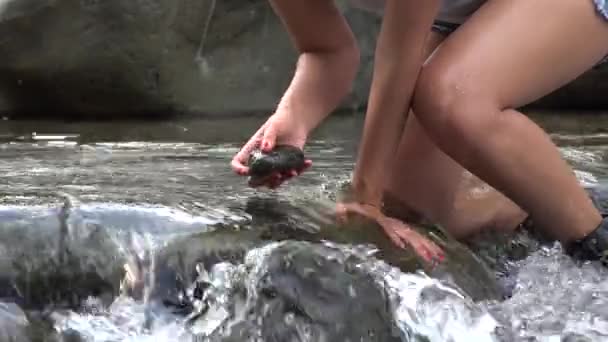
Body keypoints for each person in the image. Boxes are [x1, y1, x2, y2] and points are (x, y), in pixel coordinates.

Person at [231, 0, 608, 266]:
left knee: (453, 100)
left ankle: (594, 245)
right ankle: (540, 204)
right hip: (464, 13)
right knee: (413, 214)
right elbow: (326, 51)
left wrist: (365, 197)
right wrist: (293, 115)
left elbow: (400, 58)